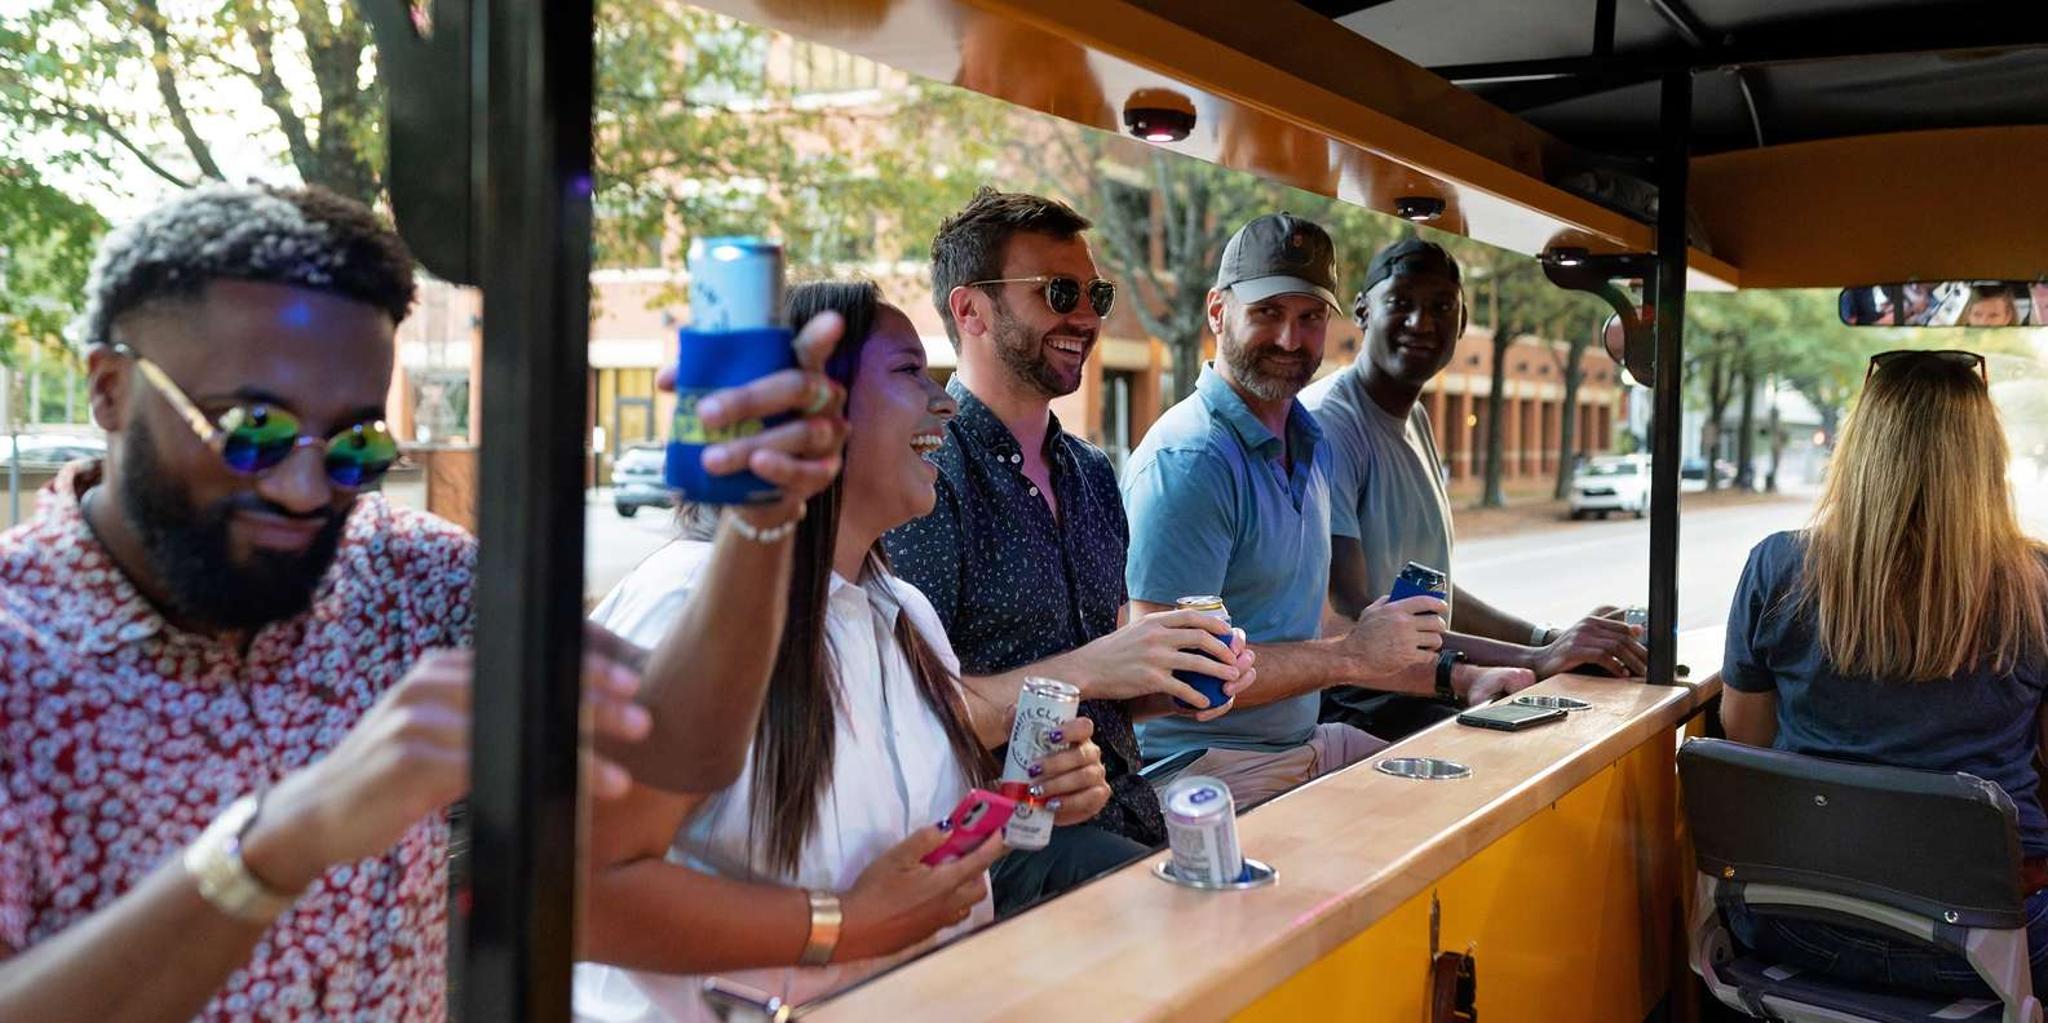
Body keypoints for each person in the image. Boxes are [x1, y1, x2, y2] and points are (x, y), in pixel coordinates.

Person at [0, 183, 850, 1022]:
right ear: (109, 388)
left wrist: (762, 518)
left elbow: (678, 746)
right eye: (250, 428)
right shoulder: (18, 656)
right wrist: (276, 843)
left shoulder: (405, 574)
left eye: (354, 444)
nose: (304, 490)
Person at [576, 281, 1117, 1021]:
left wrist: (1025, 795)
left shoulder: (906, 615)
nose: (946, 402)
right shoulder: (684, 605)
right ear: (805, 405)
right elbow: (586, 895)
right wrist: (844, 922)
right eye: (907, 372)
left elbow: (906, 842)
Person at [884, 189, 1255, 915]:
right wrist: (1101, 664)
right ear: (971, 311)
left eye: (1097, 293)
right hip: (1003, 850)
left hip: (1124, 814)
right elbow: (911, 709)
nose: (1085, 317)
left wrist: (1183, 672)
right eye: (1059, 292)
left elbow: (1114, 689)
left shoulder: (1089, 471)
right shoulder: (930, 471)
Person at [1123, 213, 1533, 809]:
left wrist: (1465, 678)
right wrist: (1348, 656)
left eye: (1310, 317)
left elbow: (1325, 630)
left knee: (1473, 795)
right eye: (1268, 313)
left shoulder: (1307, 442)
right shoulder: (1192, 459)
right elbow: (1174, 674)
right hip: (1204, 768)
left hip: (1301, 744)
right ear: (1218, 312)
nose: (1291, 339)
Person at [1719, 348, 2048, 997]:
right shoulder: (2035, 583)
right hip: (1995, 943)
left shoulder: (1777, 568)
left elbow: (1746, 744)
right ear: (1986, 459)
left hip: (1800, 921)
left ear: (1861, 450)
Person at [1304, 240, 1646, 740]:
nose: (1421, 322)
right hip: (1360, 703)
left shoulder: (1413, 417)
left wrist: (1550, 640)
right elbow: (1354, 610)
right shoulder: (1329, 423)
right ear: (1362, 311)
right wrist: (1537, 657)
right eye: (1400, 303)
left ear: (1462, 323)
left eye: (1441, 307)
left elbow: (1433, 595)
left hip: (1417, 687)